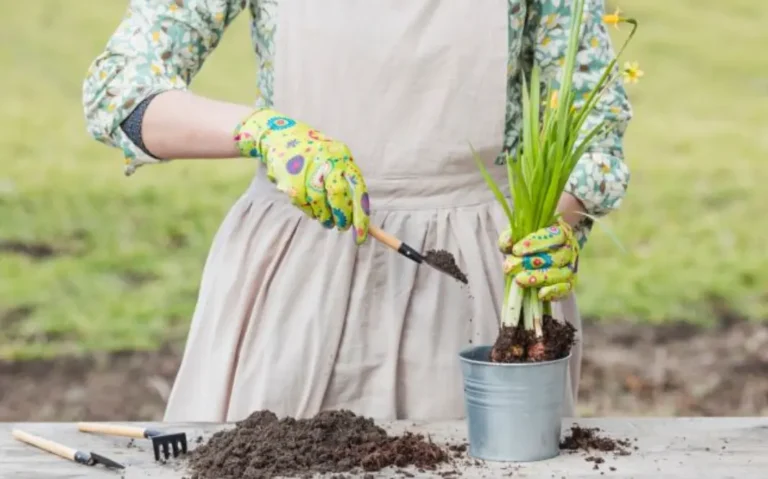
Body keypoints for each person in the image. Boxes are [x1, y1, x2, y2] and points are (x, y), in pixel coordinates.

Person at [82, 0, 631, 422]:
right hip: (294, 277)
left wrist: (559, 221)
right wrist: (263, 131)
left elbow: (592, 122)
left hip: (479, 290)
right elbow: (120, 91)